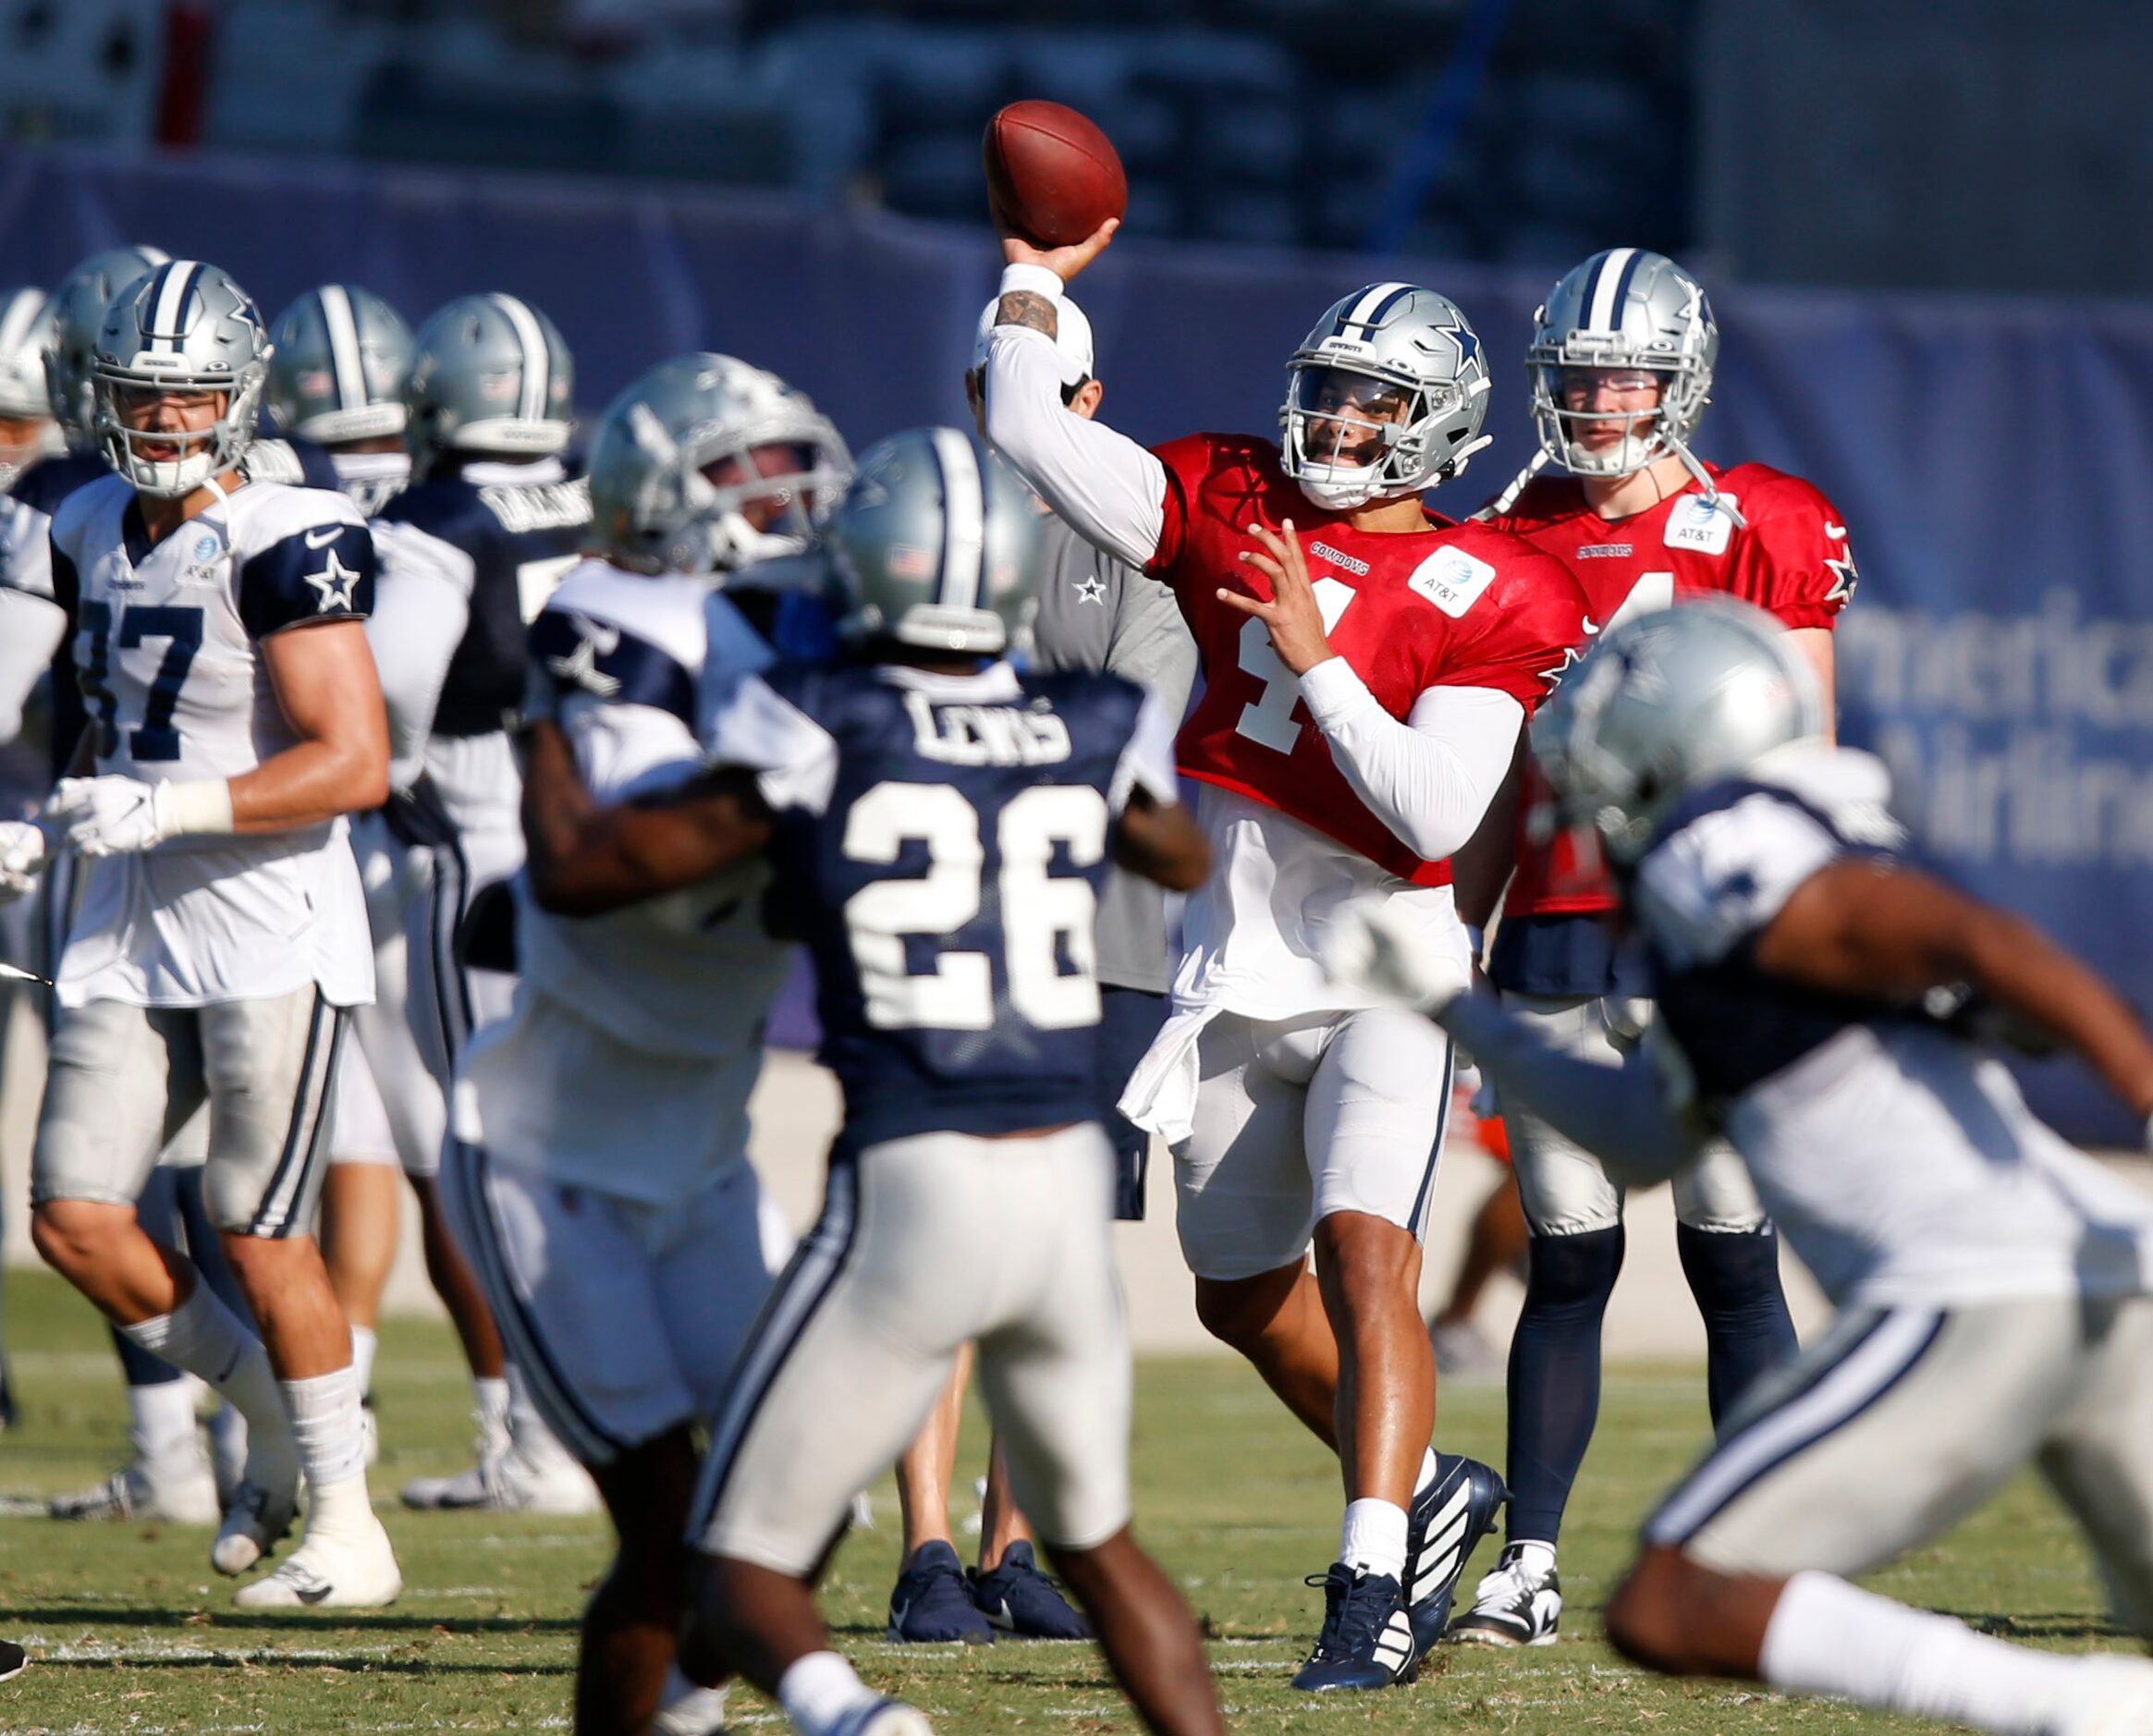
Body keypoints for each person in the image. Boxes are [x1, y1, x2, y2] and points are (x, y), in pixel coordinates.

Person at [1331, 599, 2153, 1736]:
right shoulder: (1741, 904)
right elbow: (1643, 1136)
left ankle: (2074, 1708)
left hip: (1976, 1289)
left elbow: (1975, 940)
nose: (1586, 786)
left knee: (1674, 1601)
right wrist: (1456, 1011)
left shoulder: (1727, 845)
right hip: (2102, 1273)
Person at [526, 424, 1224, 1736]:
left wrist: (548, 727)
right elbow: (1178, 855)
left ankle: (853, 1716)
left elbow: (593, 869)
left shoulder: (822, 713)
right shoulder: (1086, 718)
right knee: (1104, 1545)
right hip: (1066, 1176)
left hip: (918, 1170)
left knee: (731, 1554)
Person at [981, 219, 1589, 1687]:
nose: (1333, 422)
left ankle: (1371, 1579)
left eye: (1372, 403)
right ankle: (1434, 1485)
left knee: (1364, 1248)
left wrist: (1317, 659)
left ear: (1435, 424)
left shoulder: (1491, 583)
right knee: (1235, 1291)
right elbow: (1018, 417)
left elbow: (1435, 813)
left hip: (1386, 960)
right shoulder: (1228, 493)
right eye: (1325, 389)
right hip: (1236, 959)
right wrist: (1035, 269)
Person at [1448, 248, 1853, 1646]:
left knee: (1731, 1255)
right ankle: (1531, 1558)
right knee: (1567, 1258)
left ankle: (1767, 1550)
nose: (1598, 393)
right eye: (1577, 369)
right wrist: (1458, 938)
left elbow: (1810, 754)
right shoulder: (1504, 529)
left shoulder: (1765, 523)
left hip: (1700, 946)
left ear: (1680, 376)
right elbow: (1497, 774)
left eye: (1624, 369)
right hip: (1555, 935)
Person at [450, 351, 850, 1736]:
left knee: (801, 1504)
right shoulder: (615, 617)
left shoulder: (812, 623)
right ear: (663, 490)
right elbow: (591, 866)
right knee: (679, 1525)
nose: (788, 496)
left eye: (795, 464)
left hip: (705, 1148)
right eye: (752, 469)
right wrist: (781, 791)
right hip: (551, 1157)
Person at [8, 258, 399, 1608]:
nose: (165, 423)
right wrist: (32, 821)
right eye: (140, 396)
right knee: (74, 1217)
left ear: (240, 399)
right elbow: (84, 713)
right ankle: (291, 1436)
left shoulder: (292, 533)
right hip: (128, 914)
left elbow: (354, 762)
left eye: (192, 399)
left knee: (258, 1224)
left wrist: (166, 805)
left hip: (265, 924)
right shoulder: (80, 521)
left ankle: (351, 1523)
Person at [880, 290, 1200, 1648]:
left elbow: (1113, 733)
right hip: (946, 923)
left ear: (1085, 399)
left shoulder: (1135, 544)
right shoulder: (907, 527)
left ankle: (1013, 1545)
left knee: (1057, 1255)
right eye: (983, 385)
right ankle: (925, 1549)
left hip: (1104, 940)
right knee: (935, 1239)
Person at [365, 292, 596, 1514]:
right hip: (598, 844)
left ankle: (539, 1439)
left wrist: (382, 773)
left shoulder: (440, 516)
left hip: (479, 845)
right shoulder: (591, 491)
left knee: (487, 1146)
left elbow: (397, 685)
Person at [264, 283, 421, 1454]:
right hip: (420, 826)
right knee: (376, 1128)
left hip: (367, 829)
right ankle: (351, 1375)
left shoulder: (276, 485)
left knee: (396, 1131)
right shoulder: (442, 490)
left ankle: (523, 1422)